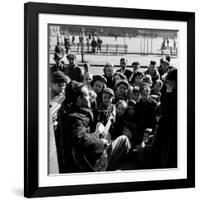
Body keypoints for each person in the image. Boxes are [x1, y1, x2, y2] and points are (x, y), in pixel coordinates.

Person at [59, 81, 131, 172]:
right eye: (86, 95)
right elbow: (82, 141)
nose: (89, 98)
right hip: (94, 162)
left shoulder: (78, 111)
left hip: (94, 155)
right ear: (79, 99)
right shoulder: (74, 119)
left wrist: (98, 128)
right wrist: (101, 142)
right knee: (124, 140)